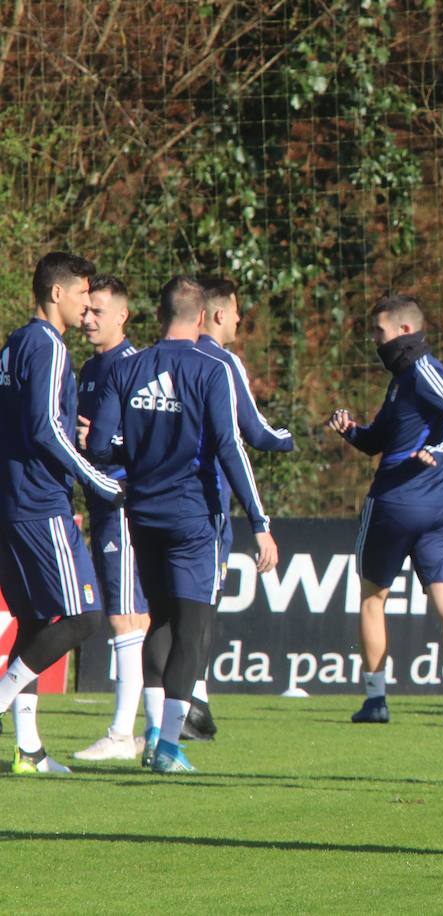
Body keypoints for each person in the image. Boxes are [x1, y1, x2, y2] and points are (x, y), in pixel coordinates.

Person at [87, 275, 278, 773]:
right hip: (195, 518)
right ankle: (169, 747)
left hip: (142, 516)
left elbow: (102, 446)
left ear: (158, 313)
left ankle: (153, 735)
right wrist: (259, 521)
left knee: (161, 622)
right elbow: (230, 448)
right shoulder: (211, 370)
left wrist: (138, 453)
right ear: (200, 317)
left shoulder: (129, 369)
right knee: (193, 630)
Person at [327, 293, 443, 728]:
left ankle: (376, 700)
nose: (375, 339)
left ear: (405, 331)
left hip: (395, 502)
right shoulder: (403, 380)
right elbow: (378, 440)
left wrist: (441, 450)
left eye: (380, 331)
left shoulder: (421, 369)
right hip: (436, 508)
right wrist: (351, 431)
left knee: (373, 599)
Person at [0, 252, 126, 774]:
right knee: (83, 617)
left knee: (34, 623)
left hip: (12, 501)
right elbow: (44, 430)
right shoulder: (49, 346)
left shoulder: (14, 345)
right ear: (57, 293)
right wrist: (99, 480)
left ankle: (28, 750)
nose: (86, 304)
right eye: (81, 294)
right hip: (40, 503)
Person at [188, 275, 295, 740]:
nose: (237, 319)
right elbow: (250, 432)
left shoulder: (158, 357)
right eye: (234, 311)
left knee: (166, 609)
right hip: (203, 505)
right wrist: (295, 438)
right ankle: (188, 706)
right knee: (202, 606)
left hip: (150, 502)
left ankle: (190, 703)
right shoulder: (222, 362)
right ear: (215, 313)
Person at [70, 275, 153, 762]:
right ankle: (152, 733)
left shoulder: (134, 367)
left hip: (122, 500)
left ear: (122, 315)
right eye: (87, 310)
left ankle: (123, 734)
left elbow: (151, 441)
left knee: (125, 614)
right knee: (134, 613)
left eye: (97, 311)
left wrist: (100, 440)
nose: (87, 319)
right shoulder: (90, 367)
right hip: (100, 502)